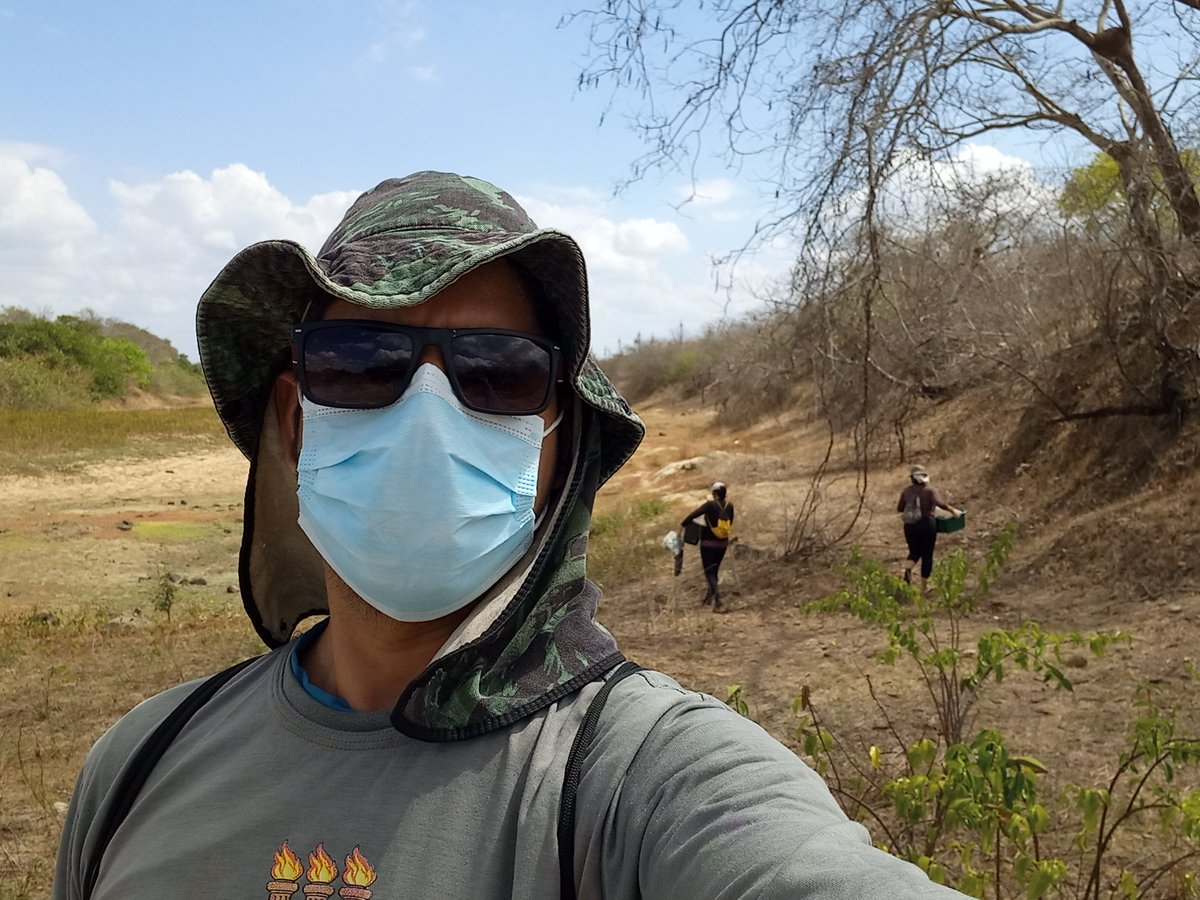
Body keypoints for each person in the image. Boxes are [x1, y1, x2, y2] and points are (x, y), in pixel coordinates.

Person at [54, 171, 968, 899]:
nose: (423, 413)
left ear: (557, 443)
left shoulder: (637, 783)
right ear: (296, 421)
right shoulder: (139, 763)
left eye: (495, 375)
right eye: (362, 362)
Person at [897, 464, 962, 591]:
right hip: (926, 524)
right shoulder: (929, 490)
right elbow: (940, 503)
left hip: (909, 527)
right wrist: (953, 511)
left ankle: (907, 573)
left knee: (914, 552)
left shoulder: (906, 491)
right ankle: (924, 586)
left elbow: (900, 508)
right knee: (927, 555)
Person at [679, 482, 735, 612]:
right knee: (714, 571)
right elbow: (730, 523)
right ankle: (709, 598)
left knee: (709, 572)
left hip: (708, 544)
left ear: (715, 493)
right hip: (722, 544)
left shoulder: (710, 505)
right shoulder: (730, 506)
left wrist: (682, 525)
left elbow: (694, 515)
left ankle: (719, 600)